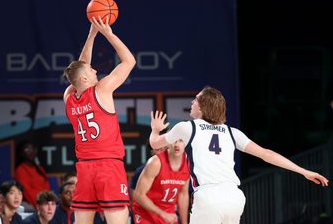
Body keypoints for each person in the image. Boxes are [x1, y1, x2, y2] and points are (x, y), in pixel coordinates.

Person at [149, 86, 329, 224]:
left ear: (203, 107)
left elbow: (155, 143)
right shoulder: (232, 132)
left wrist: (155, 130)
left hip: (209, 196)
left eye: (196, 100)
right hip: (234, 197)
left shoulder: (187, 127)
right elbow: (267, 154)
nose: (192, 102)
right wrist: (303, 171)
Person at [62, 15, 136, 224]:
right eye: (92, 70)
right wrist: (107, 34)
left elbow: (80, 67)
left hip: (84, 168)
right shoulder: (101, 90)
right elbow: (129, 61)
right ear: (85, 78)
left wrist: (91, 33)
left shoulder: (69, 98)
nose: (95, 69)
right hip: (108, 166)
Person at [132, 141, 189, 224]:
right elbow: (138, 195)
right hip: (146, 213)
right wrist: (162, 214)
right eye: (174, 141)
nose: (177, 145)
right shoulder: (155, 162)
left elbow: (183, 195)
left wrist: (184, 222)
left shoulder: (189, 163)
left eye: (180, 141)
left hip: (169, 214)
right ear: (168, 142)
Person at [15, 141, 51, 208]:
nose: (31, 151)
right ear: (21, 153)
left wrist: (48, 202)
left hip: (45, 203)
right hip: (32, 205)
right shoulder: (20, 170)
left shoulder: (40, 169)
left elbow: (47, 187)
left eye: (32, 148)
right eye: (27, 149)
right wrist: (41, 205)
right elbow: (27, 192)